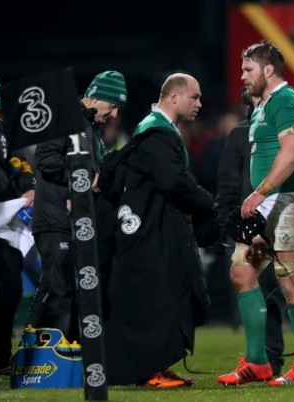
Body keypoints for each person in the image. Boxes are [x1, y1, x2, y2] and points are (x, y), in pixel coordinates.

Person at [217, 40, 294, 387]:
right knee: (243, 272)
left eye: (248, 70)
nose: (243, 76)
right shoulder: (263, 105)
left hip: (291, 203)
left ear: (268, 70)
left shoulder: (287, 102)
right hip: (268, 208)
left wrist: (259, 192)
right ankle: (258, 362)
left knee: (291, 282)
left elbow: (292, 152)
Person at [104, 73, 216, 387]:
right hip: (148, 230)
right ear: (174, 97)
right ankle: (148, 370)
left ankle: (157, 366)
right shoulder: (155, 131)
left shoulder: (156, 129)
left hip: (151, 225)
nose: (199, 104)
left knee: (167, 291)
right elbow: (172, 182)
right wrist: (207, 202)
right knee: (156, 295)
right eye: (194, 97)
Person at [27, 70, 127, 342]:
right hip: (54, 218)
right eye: (113, 106)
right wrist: (81, 179)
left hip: (73, 220)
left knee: (66, 288)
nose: (115, 115)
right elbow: (45, 161)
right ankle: (34, 354)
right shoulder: (63, 116)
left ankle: (64, 354)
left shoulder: (90, 128)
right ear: (95, 98)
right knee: (56, 288)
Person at [0, 76, 35, 376]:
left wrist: (28, 187)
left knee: (11, 290)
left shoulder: (2, 133)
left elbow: (19, 164)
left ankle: (1, 358)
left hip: (1, 225)